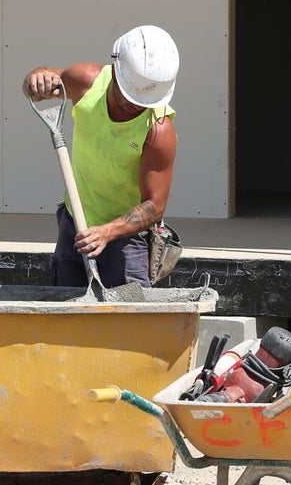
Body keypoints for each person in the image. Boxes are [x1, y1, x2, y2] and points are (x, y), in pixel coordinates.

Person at [22, 25, 179, 288]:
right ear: (116, 70)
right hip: (75, 222)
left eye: (144, 100)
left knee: (128, 321)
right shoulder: (86, 82)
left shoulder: (158, 128)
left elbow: (155, 205)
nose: (136, 105)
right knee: (66, 312)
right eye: (131, 95)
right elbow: (36, 88)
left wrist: (107, 232)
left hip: (126, 238)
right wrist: (36, 78)